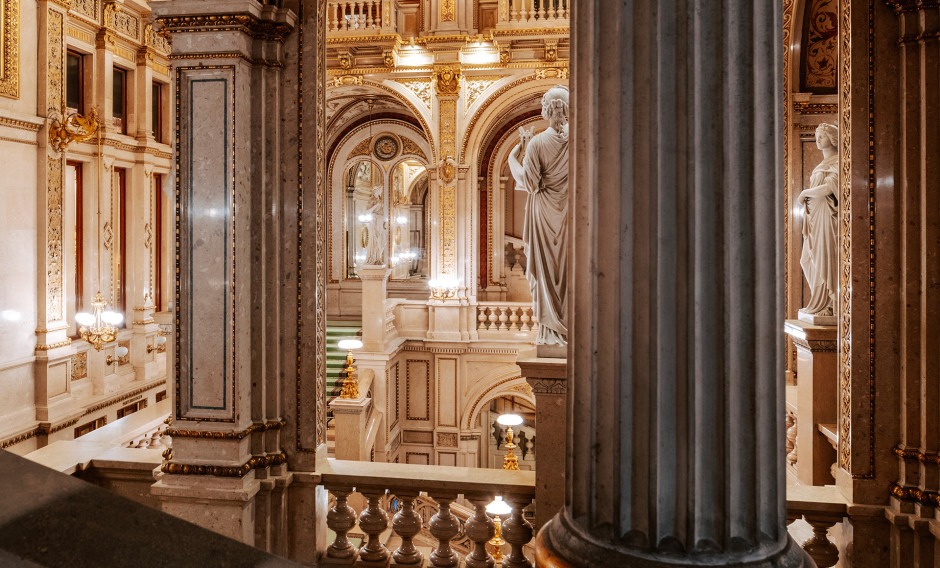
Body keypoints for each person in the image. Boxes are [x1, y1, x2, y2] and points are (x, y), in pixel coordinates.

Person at [507, 85, 569, 346]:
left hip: (543, 213)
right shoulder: (579, 139)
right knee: (568, 266)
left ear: (546, 110)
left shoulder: (537, 143)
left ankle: (550, 331)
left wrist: (514, 155)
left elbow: (529, 183)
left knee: (544, 270)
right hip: (569, 213)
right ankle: (569, 324)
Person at [798, 123, 840, 317]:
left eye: (821, 136)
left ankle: (829, 304)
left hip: (826, 217)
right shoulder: (821, 164)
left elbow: (830, 189)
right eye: (816, 135)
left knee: (825, 259)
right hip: (813, 218)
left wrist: (805, 192)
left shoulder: (838, 162)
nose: (818, 139)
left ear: (832, 138)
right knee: (806, 259)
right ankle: (818, 300)